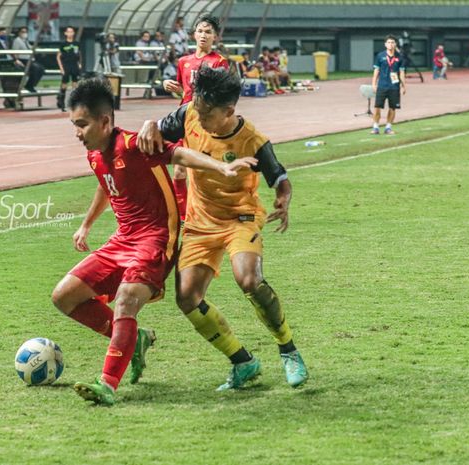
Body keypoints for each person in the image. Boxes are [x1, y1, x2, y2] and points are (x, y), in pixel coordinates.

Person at [52, 78, 257, 406]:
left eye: (81, 124)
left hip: (157, 237)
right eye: (74, 124)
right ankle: (138, 340)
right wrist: (86, 225)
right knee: (64, 296)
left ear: (105, 121)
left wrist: (222, 166)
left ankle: (107, 383)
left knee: (126, 299)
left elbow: (180, 155)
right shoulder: (95, 153)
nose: (77, 132)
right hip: (122, 238)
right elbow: (107, 185)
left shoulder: (134, 145)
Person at [137, 66, 309, 391]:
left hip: (240, 219)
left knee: (249, 279)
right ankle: (242, 362)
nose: (198, 119)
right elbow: (159, 127)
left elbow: (280, 178)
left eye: (206, 115)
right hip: (200, 223)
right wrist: (149, 124)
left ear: (229, 111)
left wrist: (284, 200)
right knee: (187, 297)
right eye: (197, 110)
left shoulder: (252, 140)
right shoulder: (190, 112)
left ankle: (288, 348)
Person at [162, 14, 229, 222]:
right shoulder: (184, 62)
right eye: (200, 31)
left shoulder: (219, 62)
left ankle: (213, 211)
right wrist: (170, 87)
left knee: (204, 172)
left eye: (208, 32)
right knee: (179, 171)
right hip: (184, 120)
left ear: (215, 37)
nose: (203, 35)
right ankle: (183, 217)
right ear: (193, 34)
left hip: (206, 123)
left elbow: (221, 95)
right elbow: (184, 93)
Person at [371, 34, 406, 135]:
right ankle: (376, 127)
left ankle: (388, 127)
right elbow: (376, 71)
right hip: (382, 85)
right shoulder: (380, 56)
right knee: (377, 107)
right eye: (389, 42)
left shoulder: (400, 58)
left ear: (395, 44)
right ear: (385, 44)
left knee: (392, 107)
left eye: (392, 42)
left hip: (394, 86)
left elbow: (402, 73)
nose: (390, 44)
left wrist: (404, 86)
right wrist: (374, 84)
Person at [11, 26, 45, 93]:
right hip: (22, 60)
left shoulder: (25, 41)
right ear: (19, 33)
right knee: (35, 68)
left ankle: (31, 85)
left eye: (26, 32)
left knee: (41, 69)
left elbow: (30, 47)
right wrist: (16, 60)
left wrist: (39, 49)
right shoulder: (17, 41)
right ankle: (29, 86)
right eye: (23, 32)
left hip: (29, 60)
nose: (24, 33)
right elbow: (14, 51)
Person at [56, 26, 81, 111]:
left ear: (74, 33)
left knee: (75, 86)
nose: (70, 33)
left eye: (71, 32)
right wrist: (61, 68)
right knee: (64, 85)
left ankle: (74, 104)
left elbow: (79, 55)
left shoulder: (76, 44)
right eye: (68, 32)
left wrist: (79, 64)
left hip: (74, 65)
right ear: (65, 33)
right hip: (66, 65)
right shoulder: (63, 44)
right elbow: (58, 57)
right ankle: (61, 102)